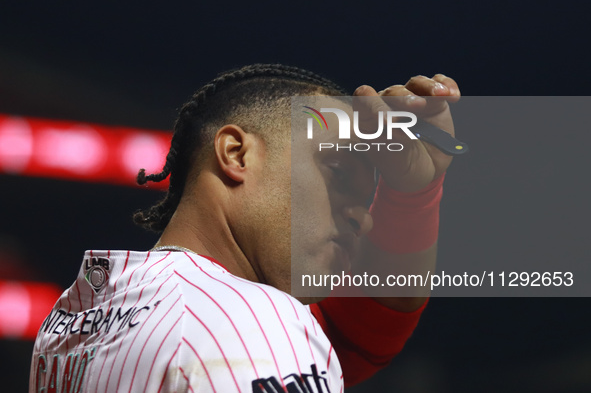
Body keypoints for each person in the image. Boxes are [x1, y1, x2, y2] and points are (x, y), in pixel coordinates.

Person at [29, 63, 460, 392]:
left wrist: (413, 195)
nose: (363, 217)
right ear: (236, 154)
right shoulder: (255, 322)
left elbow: (357, 338)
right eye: (339, 174)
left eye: (366, 199)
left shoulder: (84, 312)